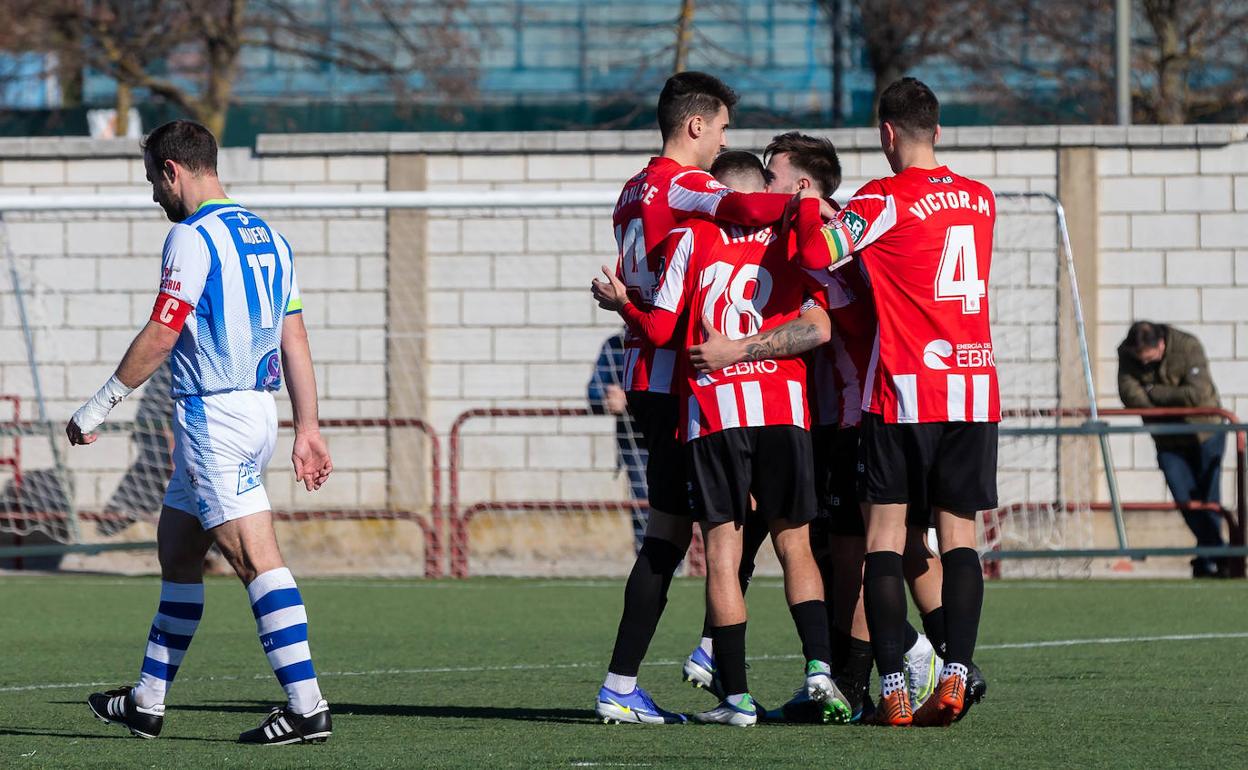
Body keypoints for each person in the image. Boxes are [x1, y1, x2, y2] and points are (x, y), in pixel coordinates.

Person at [67, 120, 334, 745]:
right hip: (254, 413)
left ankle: (306, 706)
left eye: (153, 183)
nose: (154, 198)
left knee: (252, 558)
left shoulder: (190, 237)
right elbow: (293, 335)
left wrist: (99, 404)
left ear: (172, 171)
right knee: (179, 551)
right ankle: (147, 702)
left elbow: (163, 332)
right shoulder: (270, 235)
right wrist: (309, 427)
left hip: (214, 416)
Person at [597, 148, 840, 726]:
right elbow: (821, 319)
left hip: (710, 407)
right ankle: (820, 670)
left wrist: (624, 303)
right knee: (796, 545)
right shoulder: (789, 231)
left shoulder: (682, 229)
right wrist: (814, 205)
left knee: (719, 553)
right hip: (784, 407)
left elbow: (661, 327)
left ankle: (732, 696)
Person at [797, 77, 999, 727]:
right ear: (937, 130)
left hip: (906, 389)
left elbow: (819, 251)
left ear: (887, 133)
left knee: (886, 538)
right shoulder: (980, 199)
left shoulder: (882, 198)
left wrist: (807, 208)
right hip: (974, 387)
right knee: (959, 537)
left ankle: (894, 686)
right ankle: (958, 672)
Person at [1118, 321, 1228, 578]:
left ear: (1162, 344)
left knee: (1208, 500)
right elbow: (1129, 394)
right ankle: (1219, 553)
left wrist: (1153, 392)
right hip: (1167, 439)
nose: (1145, 365)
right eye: (1140, 360)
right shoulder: (1126, 353)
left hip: (1205, 434)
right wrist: (1163, 400)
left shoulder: (1187, 346)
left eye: (1150, 359)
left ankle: (1211, 559)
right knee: (1185, 500)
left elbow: (1197, 394)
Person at [586, 329, 649, 552]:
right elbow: (593, 391)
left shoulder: (670, 337)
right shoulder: (615, 345)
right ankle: (649, 564)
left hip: (675, 434)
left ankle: (694, 562)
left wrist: (630, 398)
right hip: (636, 442)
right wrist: (607, 396)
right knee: (644, 503)